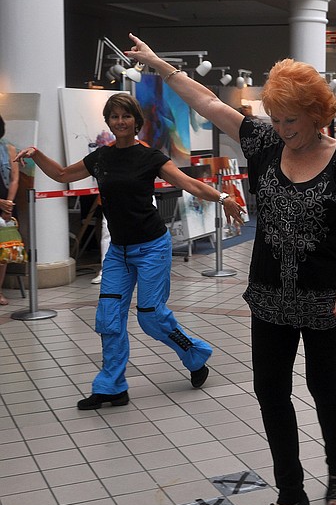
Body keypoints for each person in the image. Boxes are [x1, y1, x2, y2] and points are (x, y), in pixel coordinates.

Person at [126, 33, 336, 505]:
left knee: (325, 386)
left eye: (291, 121)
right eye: (275, 120)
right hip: (269, 294)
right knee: (270, 391)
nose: (283, 130)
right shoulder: (264, 142)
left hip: (324, 295)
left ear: (316, 115)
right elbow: (208, 102)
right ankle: (290, 495)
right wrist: (158, 66)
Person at [15, 93, 244, 409]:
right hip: (119, 252)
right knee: (108, 317)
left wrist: (223, 198)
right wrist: (37, 154)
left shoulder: (150, 157)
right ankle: (112, 387)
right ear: (108, 122)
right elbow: (62, 175)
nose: (120, 122)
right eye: (114, 116)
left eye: (126, 116)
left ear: (137, 121)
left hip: (152, 248)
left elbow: (189, 184)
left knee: (151, 317)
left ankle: (194, 353)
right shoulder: (101, 158)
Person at [0, 113, 20, 305]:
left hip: (6, 206)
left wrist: (8, 204)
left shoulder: (9, 148)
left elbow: (14, 178)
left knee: (3, 252)